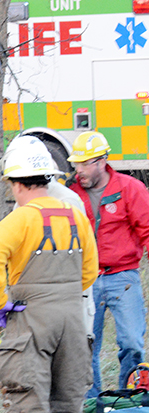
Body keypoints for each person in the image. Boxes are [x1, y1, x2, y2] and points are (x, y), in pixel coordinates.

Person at [0, 138, 99, 413]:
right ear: (48, 178)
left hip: (31, 317)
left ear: (17, 184)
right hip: (73, 316)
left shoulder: (18, 221)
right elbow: (91, 270)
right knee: (68, 398)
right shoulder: (76, 216)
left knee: (29, 396)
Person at [67, 131, 149, 397]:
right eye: (76, 164)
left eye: (85, 163)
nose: (79, 170)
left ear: (102, 161)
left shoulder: (129, 188)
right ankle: (93, 406)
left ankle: (132, 397)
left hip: (123, 276)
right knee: (86, 345)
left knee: (132, 343)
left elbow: (147, 227)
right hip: (85, 280)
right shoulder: (69, 195)